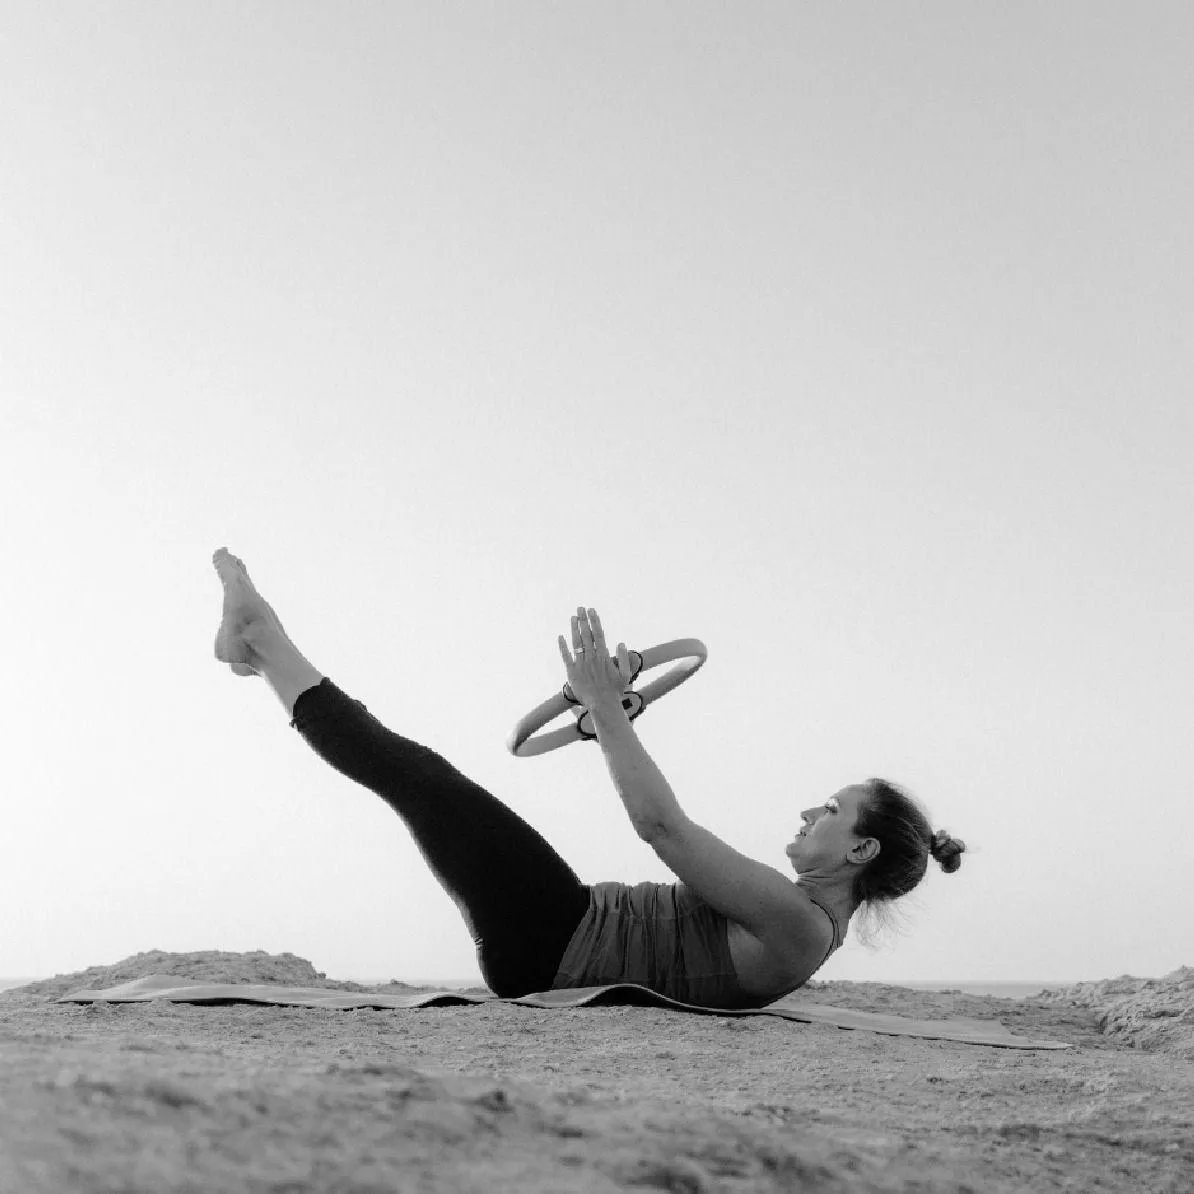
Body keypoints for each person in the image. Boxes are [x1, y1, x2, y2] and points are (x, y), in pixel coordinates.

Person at [212, 547, 966, 1009]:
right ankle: (261, 652)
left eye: (832, 809)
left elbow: (662, 828)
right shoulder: (804, 921)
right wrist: (609, 716)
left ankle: (262, 641)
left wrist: (606, 708)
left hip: (551, 939)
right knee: (418, 779)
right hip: (556, 927)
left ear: (861, 850)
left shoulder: (801, 924)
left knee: (419, 778)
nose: (809, 812)